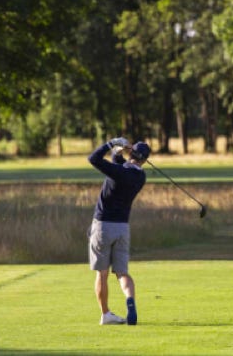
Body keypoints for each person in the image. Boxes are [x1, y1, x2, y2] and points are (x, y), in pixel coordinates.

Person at [87, 137, 151, 325]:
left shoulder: (119, 173)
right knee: (122, 273)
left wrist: (110, 144)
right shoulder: (140, 177)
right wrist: (117, 151)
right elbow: (120, 164)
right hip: (122, 228)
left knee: (102, 273)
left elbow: (93, 159)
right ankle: (130, 302)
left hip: (103, 226)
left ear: (131, 153)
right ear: (144, 160)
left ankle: (106, 314)